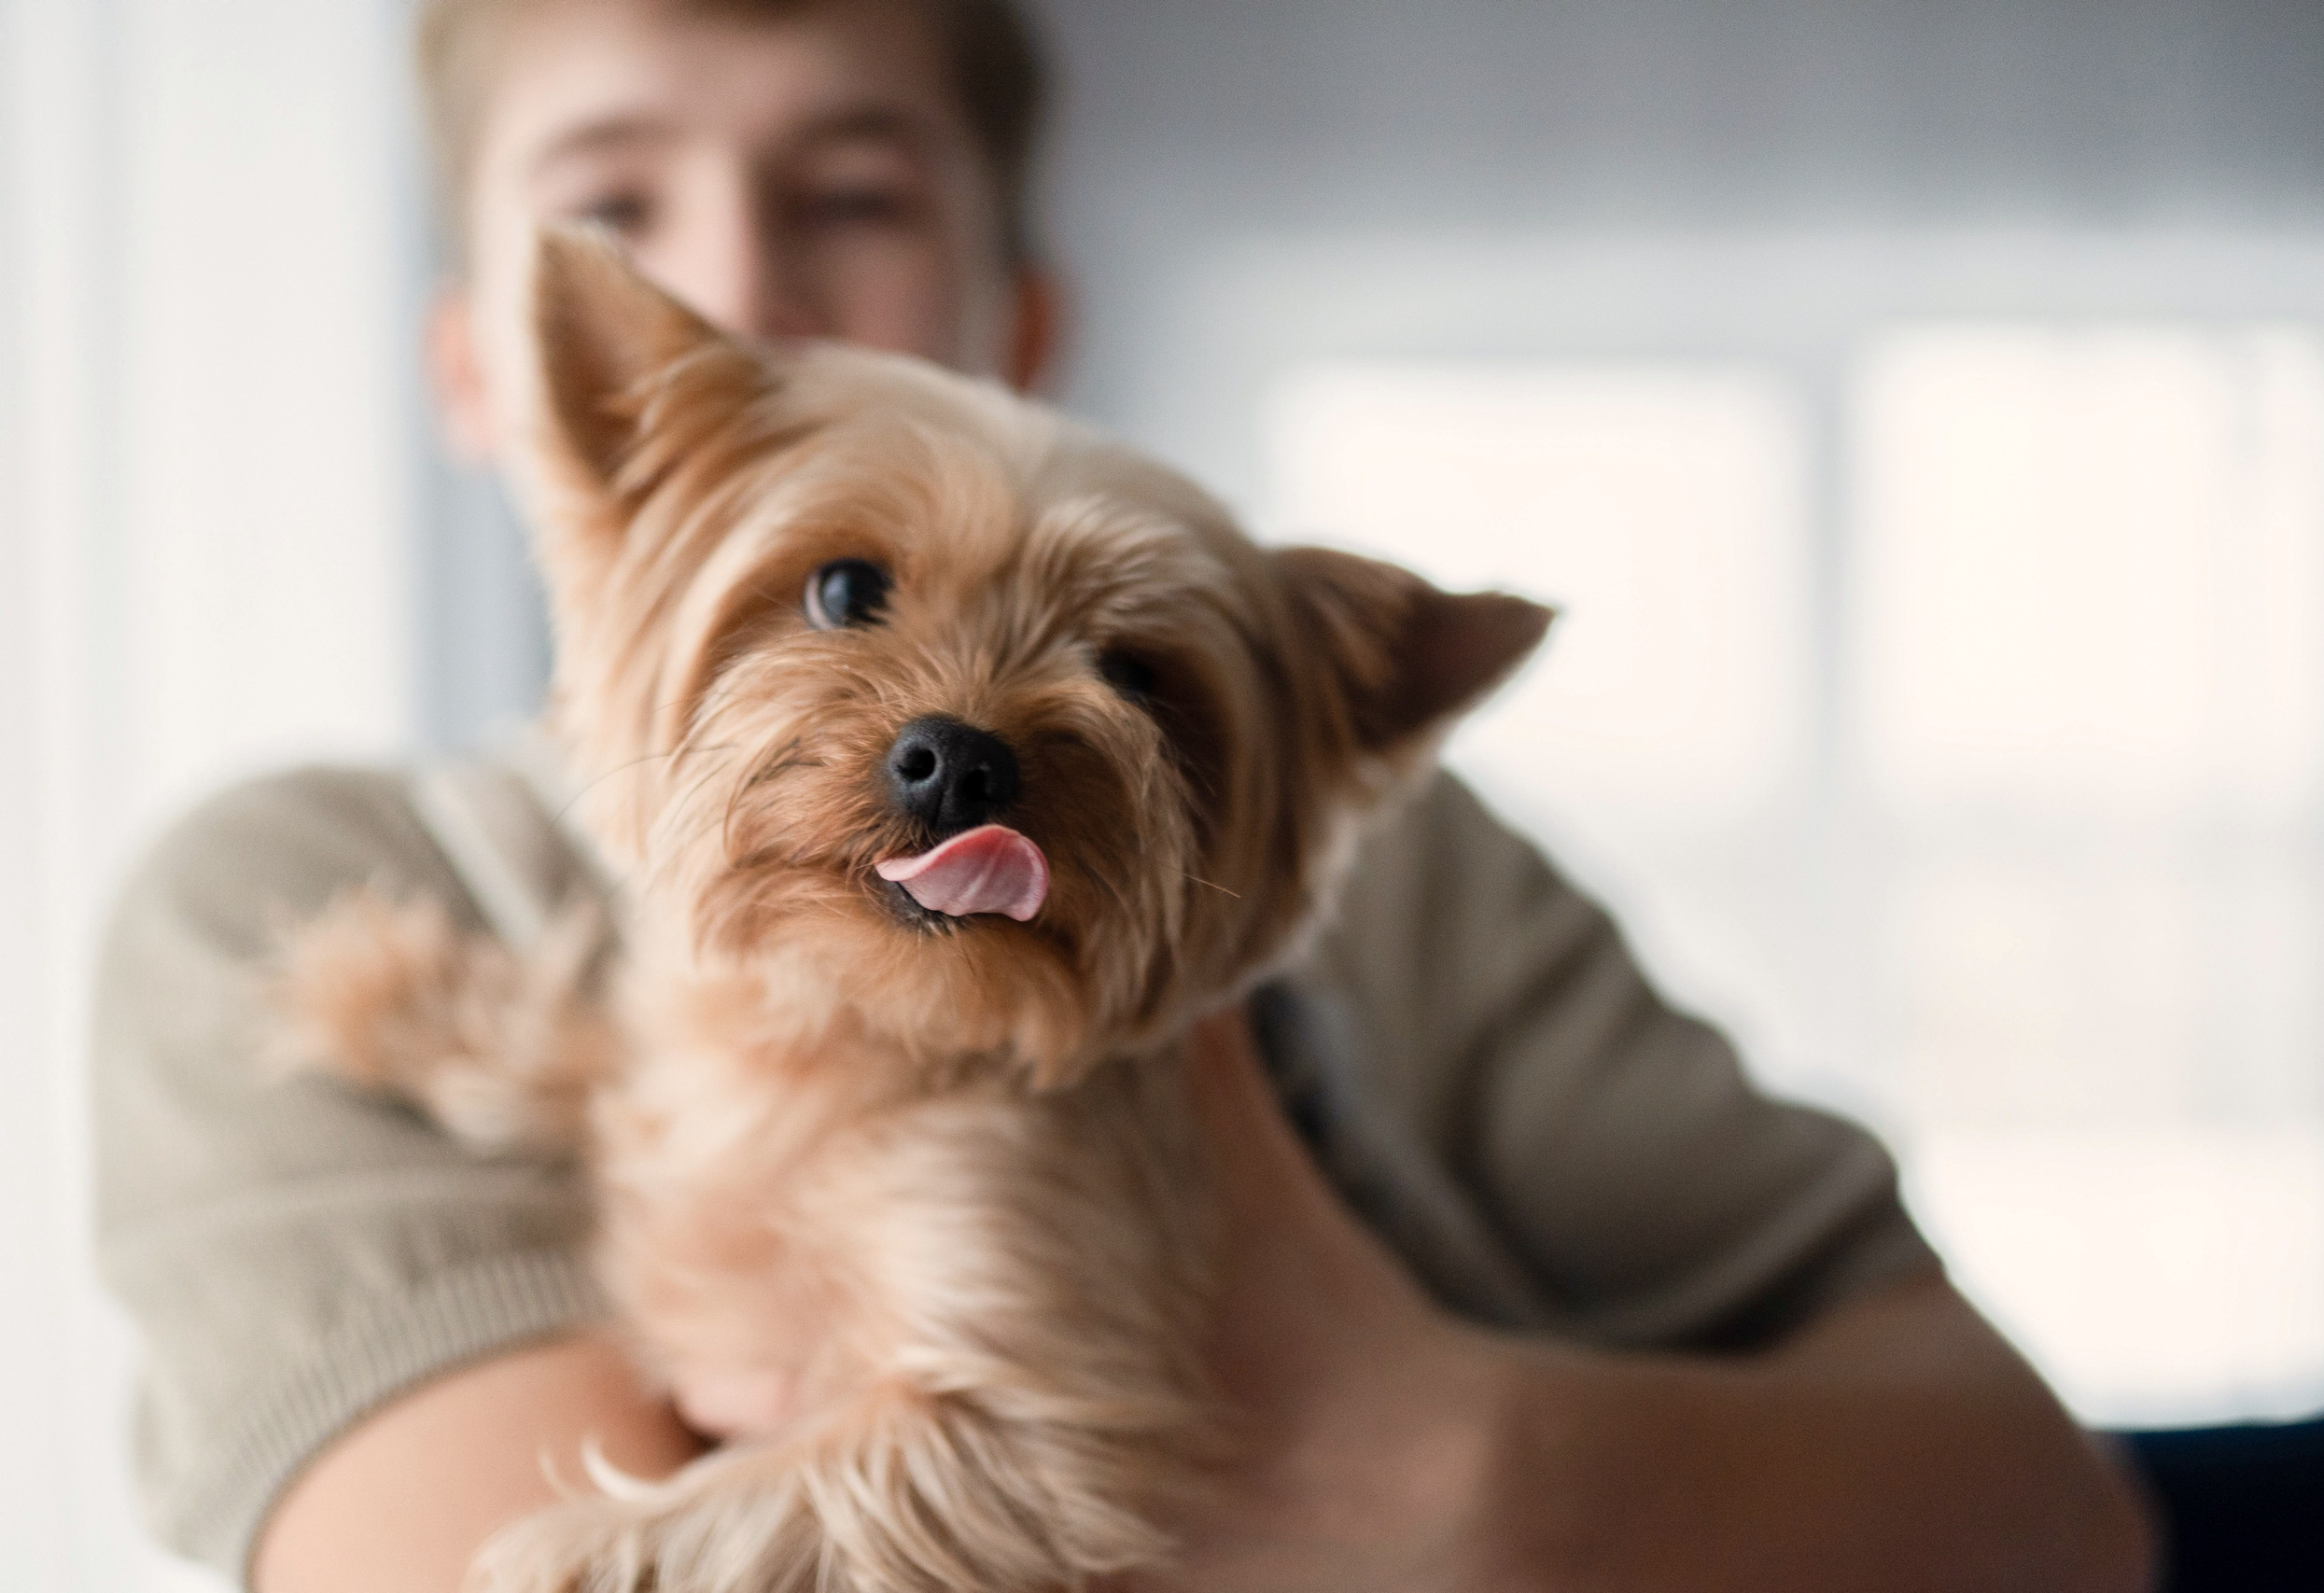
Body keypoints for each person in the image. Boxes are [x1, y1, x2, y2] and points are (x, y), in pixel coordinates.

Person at [91, 2, 2156, 1589]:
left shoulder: (1402, 878)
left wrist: (1445, 1470)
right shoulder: (297, 883)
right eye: (619, 205)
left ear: (1031, 320)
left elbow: (2053, 1509)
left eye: (854, 193)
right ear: (516, 371)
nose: (740, 289)